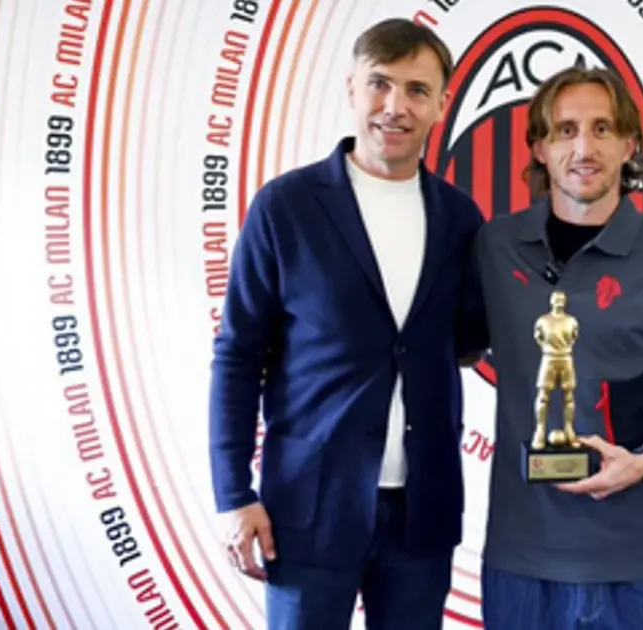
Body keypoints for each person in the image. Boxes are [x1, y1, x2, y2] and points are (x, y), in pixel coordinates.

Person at [208, 18, 486, 630]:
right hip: (306, 511)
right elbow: (238, 355)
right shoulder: (286, 207)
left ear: (442, 104)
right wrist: (233, 494)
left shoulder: (461, 219)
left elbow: (467, 341)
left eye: (417, 90)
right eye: (380, 83)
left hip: (422, 516)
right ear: (352, 88)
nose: (395, 106)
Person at [471, 65, 643, 630]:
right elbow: (451, 346)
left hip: (635, 560)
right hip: (521, 557)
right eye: (565, 130)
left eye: (602, 129)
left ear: (630, 144)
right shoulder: (493, 246)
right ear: (539, 148)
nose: (584, 148)